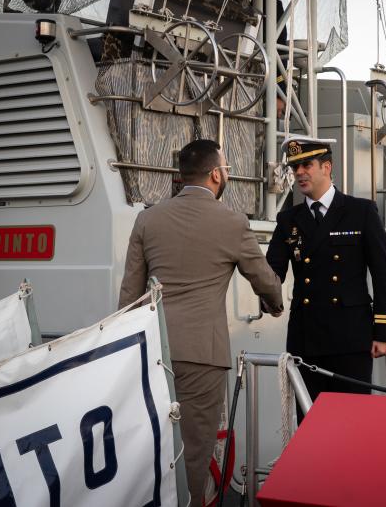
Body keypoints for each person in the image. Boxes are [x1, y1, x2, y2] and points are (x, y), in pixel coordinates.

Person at [118, 139, 283, 505]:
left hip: (154, 352)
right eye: (224, 168)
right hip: (202, 357)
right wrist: (275, 305)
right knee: (194, 449)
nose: (226, 173)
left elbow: (129, 298)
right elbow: (265, 280)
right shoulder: (232, 222)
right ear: (215, 174)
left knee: (151, 442)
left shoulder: (148, 219)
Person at [266, 136, 386, 407]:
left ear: (326, 167)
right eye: (295, 167)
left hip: (350, 337)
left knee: (352, 421)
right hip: (306, 338)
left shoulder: (360, 211)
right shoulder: (288, 219)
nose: (299, 173)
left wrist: (384, 333)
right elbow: (272, 270)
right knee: (311, 421)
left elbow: (383, 272)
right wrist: (268, 297)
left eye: (307, 165)